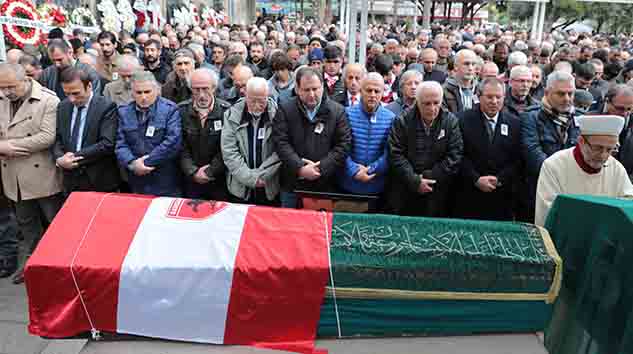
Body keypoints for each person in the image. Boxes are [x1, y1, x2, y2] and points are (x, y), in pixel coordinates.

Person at [0, 63, 63, 284]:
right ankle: (32, 264)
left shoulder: (48, 99)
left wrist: (9, 146)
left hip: (41, 173)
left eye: (10, 87)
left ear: (25, 79)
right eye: (2, 88)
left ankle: (59, 265)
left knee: (54, 221)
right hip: (13, 175)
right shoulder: (2, 99)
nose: (6, 92)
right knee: (26, 223)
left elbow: (47, 136)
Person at [272, 67, 351, 208]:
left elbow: (343, 145)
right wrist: (300, 168)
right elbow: (280, 142)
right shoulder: (285, 109)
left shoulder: (337, 111)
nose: (312, 94)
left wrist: (321, 167)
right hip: (292, 184)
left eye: (315, 89)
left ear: (322, 87)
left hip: (324, 185)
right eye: (306, 90)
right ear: (297, 89)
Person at [535, 115, 633, 226]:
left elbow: (628, 205)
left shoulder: (616, 168)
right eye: (598, 148)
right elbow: (549, 214)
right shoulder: (554, 165)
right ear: (581, 141)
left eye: (610, 149)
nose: (603, 155)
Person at [387, 81, 463, 217]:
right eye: (427, 103)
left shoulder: (450, 121)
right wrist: (415, 180)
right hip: (406, 190)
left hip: (438, 190)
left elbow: (455, 155)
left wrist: (429, 177)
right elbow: (395, 154)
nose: (432, 108)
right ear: (417, 101)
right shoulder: (403, 120)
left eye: (436, 103)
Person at [456, 78, 521, 221]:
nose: (494, 101)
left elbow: (517, 159)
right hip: (468, 194)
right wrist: (476, 179)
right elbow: (457, 154)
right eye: (489, 97)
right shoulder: (462, 120)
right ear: (479, 97)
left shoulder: (514, 123)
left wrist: (499, 179)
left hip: (501, 196)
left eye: (498, 97)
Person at [521, 71, 581, 222]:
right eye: (560, 94)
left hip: (574, 191)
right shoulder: (531, 117)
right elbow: (533, 152)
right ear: (547, 93)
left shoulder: (580, 118)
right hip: (540, 190)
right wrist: (560, 175)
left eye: (570, 94)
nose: (567, 99)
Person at [53, 67, 120, 194]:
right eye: (67, 94)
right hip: (70, 180)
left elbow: (107, 143)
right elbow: (58, 138)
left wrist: (73, 158)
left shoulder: (106, 106)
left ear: (89, 86)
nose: (72, 99)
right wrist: (59, 158)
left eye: (76, 93)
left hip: (98, 179)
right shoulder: (63, 106)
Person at [115, 71, 182, 197]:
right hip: (135, 180)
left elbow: (172, 142)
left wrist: (146, 163)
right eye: (138, 93)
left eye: (147, 92)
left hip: (164, 179)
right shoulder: (124, 112)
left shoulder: (170, 110)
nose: (143, 97)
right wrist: (132, 163)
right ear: (132, 93)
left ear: (156, 90)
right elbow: (120, 143)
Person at [222, 77, 281, 205]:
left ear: (267, 96)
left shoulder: (278, 115)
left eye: (261, 101)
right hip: (240, 186)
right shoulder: (231, 115)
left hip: (268, 185)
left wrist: (263, 175)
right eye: (252, 100)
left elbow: (280, 150)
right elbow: (229, 151)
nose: (257, 105)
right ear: (245, 95)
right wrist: (251, 178)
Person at [339, 73, 395, 203]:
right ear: (360, 90)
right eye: (369, 90)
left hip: (377, 187)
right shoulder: (346, 114)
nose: (373, 95)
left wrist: (371, 169)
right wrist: (353, 170)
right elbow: (339, 147)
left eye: (377, 91)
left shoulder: (391, 118)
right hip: (348, 185)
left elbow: (390, 152)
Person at [179, 69, 231, 201]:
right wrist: (192, 171)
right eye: (196, 89)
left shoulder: (227, 111)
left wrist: (210, 171)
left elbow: (228, 146)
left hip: (219, 180)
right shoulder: (181, 111)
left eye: (205, 89)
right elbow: (180, 146)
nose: (201, 95)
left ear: (214, 88)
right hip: (190, 181)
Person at [443, 49, 478, 114]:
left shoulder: (481, 90)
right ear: (456, 66)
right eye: (466, 64)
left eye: (473, 64)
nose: (470, 68)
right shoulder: (444, 91)